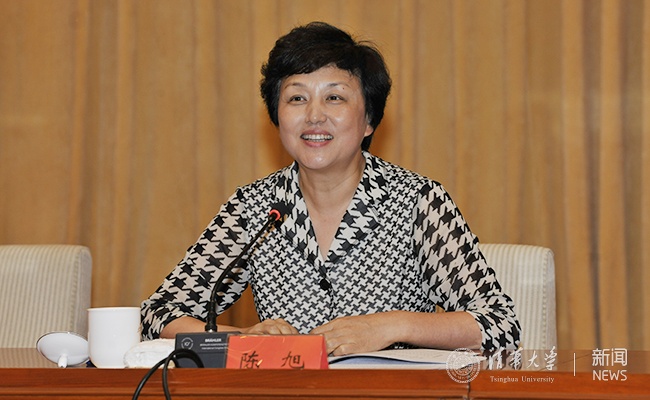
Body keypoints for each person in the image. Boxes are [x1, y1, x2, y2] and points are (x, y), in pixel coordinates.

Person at [141, 21, 521, 355]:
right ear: (277, 117)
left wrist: (390, 326)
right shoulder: (255, 207)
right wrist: (244, 338)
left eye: (334, 97)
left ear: (369, 119)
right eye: (296, 98)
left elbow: (500, 325)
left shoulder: (417, 202)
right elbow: (157, 316)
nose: (314, 115)